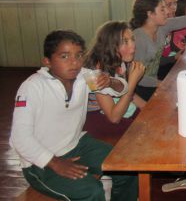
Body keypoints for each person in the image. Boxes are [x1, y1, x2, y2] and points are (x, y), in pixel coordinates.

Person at [10, 30, 138, 200]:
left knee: (126, 167)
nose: (74, 63)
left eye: (78, 55)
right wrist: (55, 163)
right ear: (47, 61)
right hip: (40, 163)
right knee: (92, 191)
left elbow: (122, 88)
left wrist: (111, 81)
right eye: (64, 56)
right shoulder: (32, 88)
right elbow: (19, 138)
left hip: (76, 144)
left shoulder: (84, 77)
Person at [83, 21, 146, 142]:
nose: (133, 46)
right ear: (110, 46)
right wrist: (133, 81)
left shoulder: (121, 61)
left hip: (119, 108)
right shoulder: (96, 72)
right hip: (98, 118)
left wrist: (149, 109)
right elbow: (113, 117)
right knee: (143, 131)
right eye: (125, 42)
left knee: (152, 119)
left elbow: (128, 94)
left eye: (132, 39)